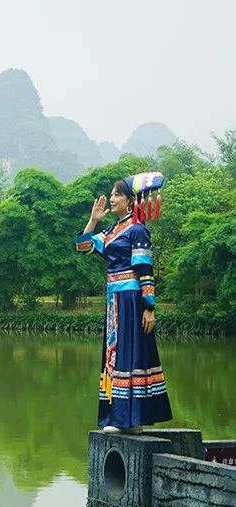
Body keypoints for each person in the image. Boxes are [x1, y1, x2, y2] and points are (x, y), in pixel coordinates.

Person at [75, 173, 172, 433]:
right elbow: (82, 246)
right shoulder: (111, 231)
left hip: (130, 299)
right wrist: (93, 221)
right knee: (114, 354)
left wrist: (149, 307)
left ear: (131, 201)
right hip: (114, 299)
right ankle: (120, 418)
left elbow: (145, 269)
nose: (112, 199)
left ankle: (130, 419)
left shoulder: (138, 230)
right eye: (113, 194)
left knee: (129, 354)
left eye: (117, 194)